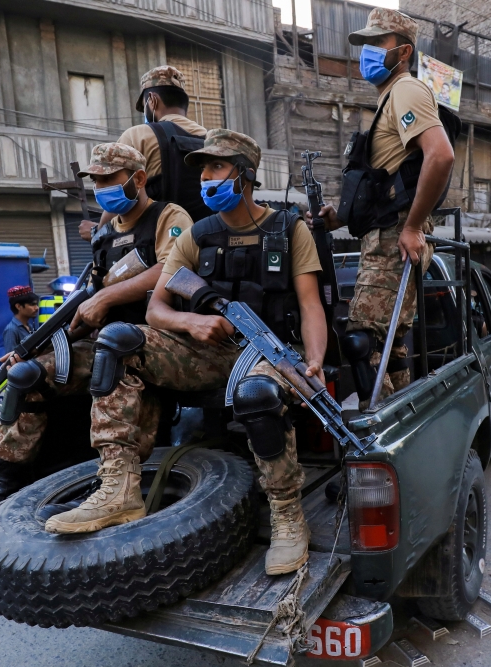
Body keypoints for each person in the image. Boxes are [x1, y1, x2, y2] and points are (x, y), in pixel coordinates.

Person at [43, 130, 326, 577]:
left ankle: (287, 511)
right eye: (203, 169)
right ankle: (119, 487)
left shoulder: (289, 229)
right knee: (117, 341)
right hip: (207, 352)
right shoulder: (197, 235)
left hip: (269, 350)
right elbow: (156, 309)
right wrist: (191, 322)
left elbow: (310, 306)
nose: (206, 177)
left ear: (245, 174)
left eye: (217, 167)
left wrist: (314, 363)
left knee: (257, 395)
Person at [0, 142, 193, 551]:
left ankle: (111, 487)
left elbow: (173, 268)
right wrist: (35, 349)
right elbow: (86, 304)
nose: (101, 188)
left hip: (158, 341)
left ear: (138, 178)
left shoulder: (168, 217)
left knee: (115, 351)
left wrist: (107, 297)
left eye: (109, 179)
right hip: (104, 343)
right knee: (26, 375)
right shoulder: (106, 234)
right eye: (97, 181)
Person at [309, 8, 454, 408]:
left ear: (403, 52)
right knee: (390, 342)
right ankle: (404, 414)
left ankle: (380, 429)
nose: (367, 52)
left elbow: (440, 155)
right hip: (387, 233)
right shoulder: (389, 97)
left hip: (394, 237)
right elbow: (385, 181)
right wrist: (338, 217)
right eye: (365, 44)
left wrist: (413, 226)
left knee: (361, 339)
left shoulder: (406, 90)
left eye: (377, 43)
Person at [81, 66, 208, 241]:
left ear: (152, 100)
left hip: (157, 245)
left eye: (144, 106)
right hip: (207, 243)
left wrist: (98, 234)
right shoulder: (211, 140)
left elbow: (119, 193)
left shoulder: (138, 135)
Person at [3, 286, 40, 353]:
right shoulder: (11, 330)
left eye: (36, 304)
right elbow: (11, 357)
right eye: (32, 304)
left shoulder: (29, 326)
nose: (37, 308)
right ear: (18, 306)